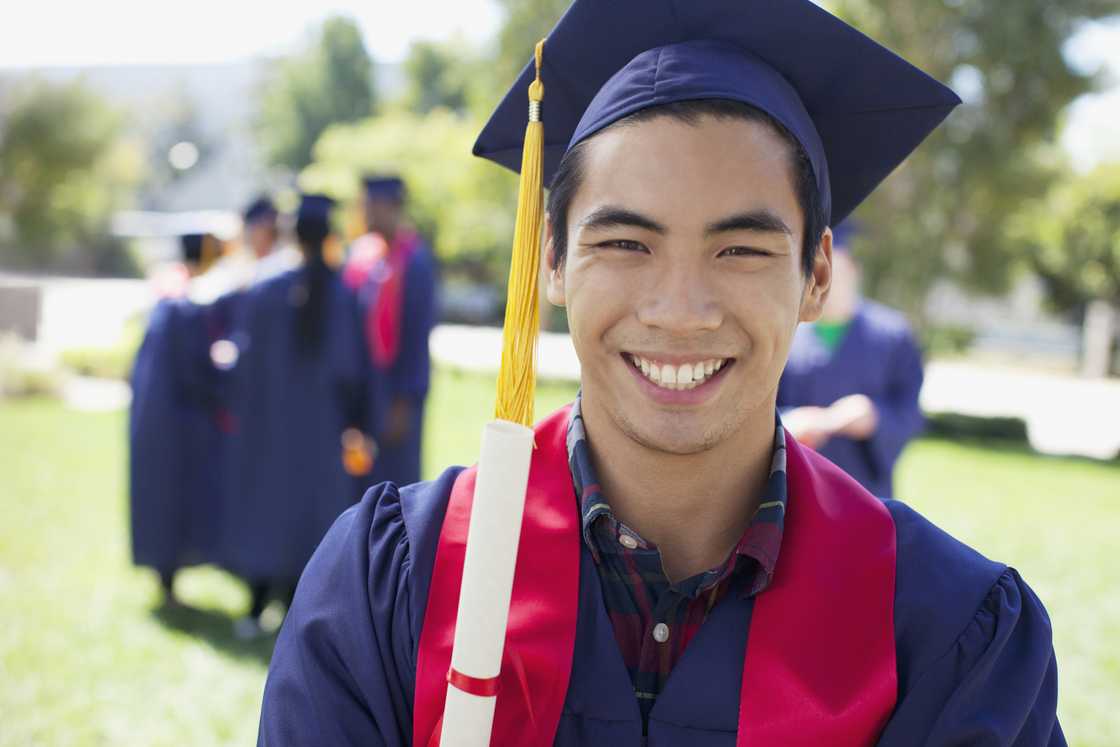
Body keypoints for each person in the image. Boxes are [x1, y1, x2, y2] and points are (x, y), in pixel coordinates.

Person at [258, 2, 1064, 744]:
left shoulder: (944, 635)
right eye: (625, 243)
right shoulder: (395, 585)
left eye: (740, 249)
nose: (680, 311)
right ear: (552, 259)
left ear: (817, 274)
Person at [219, 194, 374, 637]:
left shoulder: (266, 289)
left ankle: (254, 609)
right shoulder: (343, 294)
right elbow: (353, 369)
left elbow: (244, 363)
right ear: (327, 236)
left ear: (290, 235)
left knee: (267, 509)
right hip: (321, 429)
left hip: (269, 425)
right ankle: (297, 610)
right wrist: (358, 422)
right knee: (310, 517)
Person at [778, 221, 925, 498]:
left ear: (854, 271)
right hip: (795, 485)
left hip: (863, 489)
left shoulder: (892, 335)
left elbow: (909, 413)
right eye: (814, 271)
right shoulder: (785, 333)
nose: (824, 280)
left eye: (834, 270)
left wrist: (875, 417)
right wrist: (786, 422)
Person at [130, 234, 227, 605]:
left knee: (159, 496)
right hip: (177, 420)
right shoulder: (183, 305)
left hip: (153, 413)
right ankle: (168, 582)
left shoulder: (165, 294)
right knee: (171, 498)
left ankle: (165, 582)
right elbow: (194, 372)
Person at [343, 175, 437, 486]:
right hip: (367, 387)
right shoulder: (364, 259)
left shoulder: (415, 261)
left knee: (397, 481)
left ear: (393, 207)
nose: (366, 214)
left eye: (372, 206)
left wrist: (404, 400)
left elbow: (417, 335)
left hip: (398, 390)